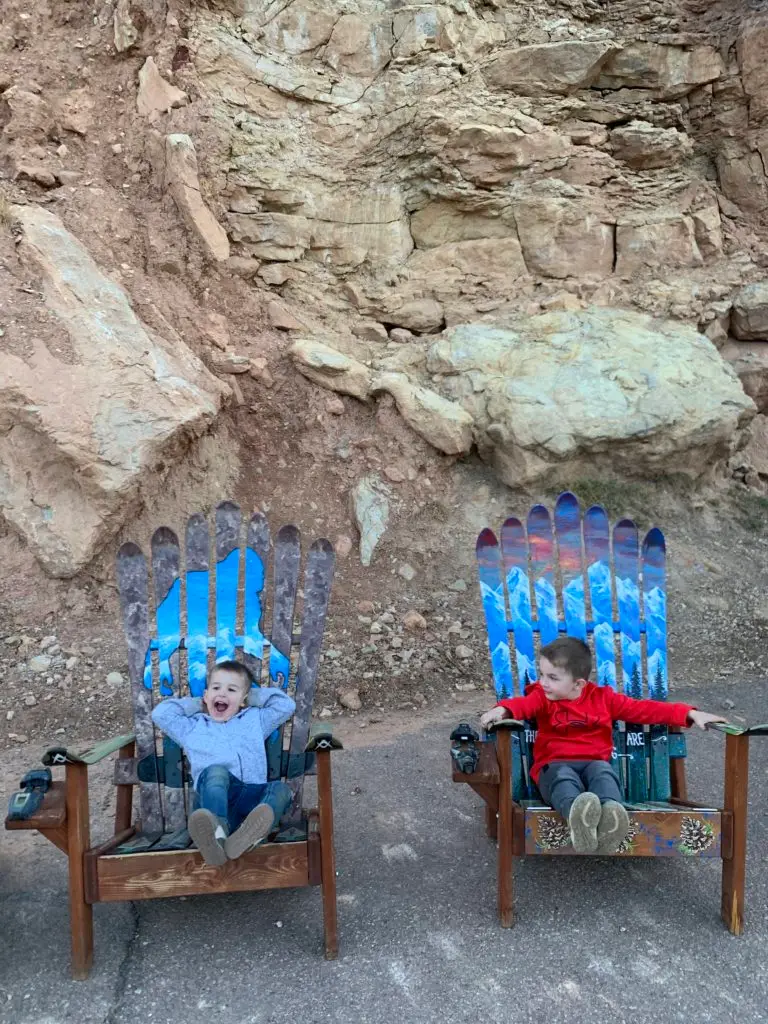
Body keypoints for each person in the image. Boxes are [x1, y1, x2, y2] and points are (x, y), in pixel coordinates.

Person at [480, 636, 727, 854]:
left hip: (594, 762)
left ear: (578, 684)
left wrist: (690, 714)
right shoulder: (542, 698)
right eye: (542, 674)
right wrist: (503, 709)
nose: (543, 683)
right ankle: (579, 815)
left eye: (553, 677)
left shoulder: (603, 699)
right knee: (562, 779)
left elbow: (643, 709)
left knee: (603, 774)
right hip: (553, 764)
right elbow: (523, 705)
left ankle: (611, 815)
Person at [152, 659, 295, 866]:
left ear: (243, 700)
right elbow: (160, 714)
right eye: (216, 688)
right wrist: (197, 703)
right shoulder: (192, 727)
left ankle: (247, 837)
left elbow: (286, 705)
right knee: (216, 772)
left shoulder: (255, 720)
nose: (222, 694)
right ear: (207, 695)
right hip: (213, 803)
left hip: (251, 802)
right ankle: (216, 833)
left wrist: (252, 697)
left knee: (280, 789)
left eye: (232, 690)